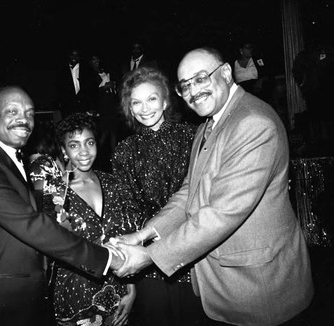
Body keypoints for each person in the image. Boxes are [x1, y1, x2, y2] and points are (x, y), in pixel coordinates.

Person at [112, 47, 314, 325]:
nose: (194, 91)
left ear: (227, 73)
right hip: (223, 286)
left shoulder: (252, 122)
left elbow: (222, 213)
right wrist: (143, 234)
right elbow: (189, 193)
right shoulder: (208, 126)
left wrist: (149, 256)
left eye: (201, 78)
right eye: (185, 85)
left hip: (258, 289)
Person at [0, 86, 125, 326]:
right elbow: (31, 225)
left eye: (30, 113)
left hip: (26, 296)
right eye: (12, 111)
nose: (24, 119)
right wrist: (108, 259)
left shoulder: (11, 159)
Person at [111, 67, 204, 325]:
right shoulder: (124, 151)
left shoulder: (193, 137)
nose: (144, 108)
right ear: (129, 108)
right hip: (147, 261)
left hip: (192, 251)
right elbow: (126, 210)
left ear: (165, 101)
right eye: (136, 102)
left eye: (151, 99)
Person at [49, 113, 138, 326]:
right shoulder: (54, 192)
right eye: (74, 145)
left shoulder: (112, 183)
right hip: (75, 299)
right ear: (64, 150)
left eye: (89, 142)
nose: (84, 152)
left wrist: (132, 289)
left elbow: (127, 237)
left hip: (117, 294)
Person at [55, 48, 94, 117]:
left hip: (84, 107)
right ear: (68, 56)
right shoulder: (62, 70)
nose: (74, 57)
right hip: (68, 108)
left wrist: (91, 107)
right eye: (72, 55)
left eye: (76, 55)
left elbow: (91, 90)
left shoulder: (86, 70)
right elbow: (59, 89)